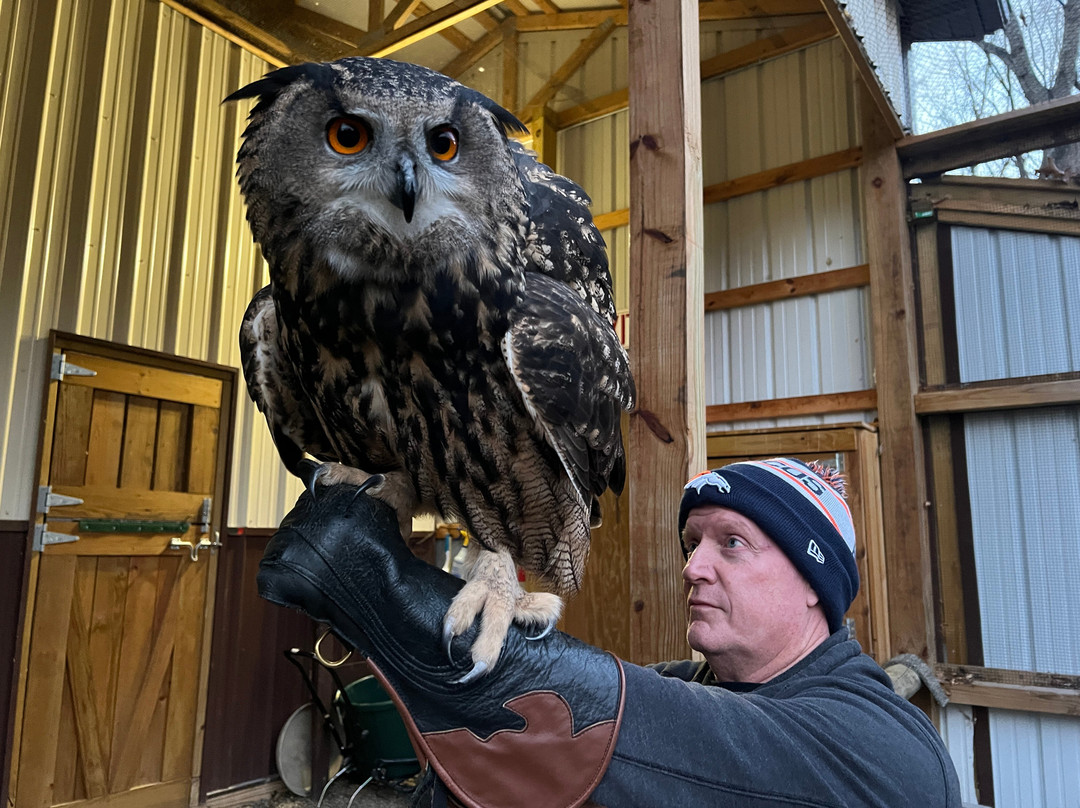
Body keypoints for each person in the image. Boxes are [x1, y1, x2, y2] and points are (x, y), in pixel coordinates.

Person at [258, 457, 962, 808]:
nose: (694, 567)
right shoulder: (697, 682)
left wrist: (374, 584)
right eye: (692, 543)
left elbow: (613, 721)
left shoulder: (884, 748)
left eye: (733, 544)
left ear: (816, 586)